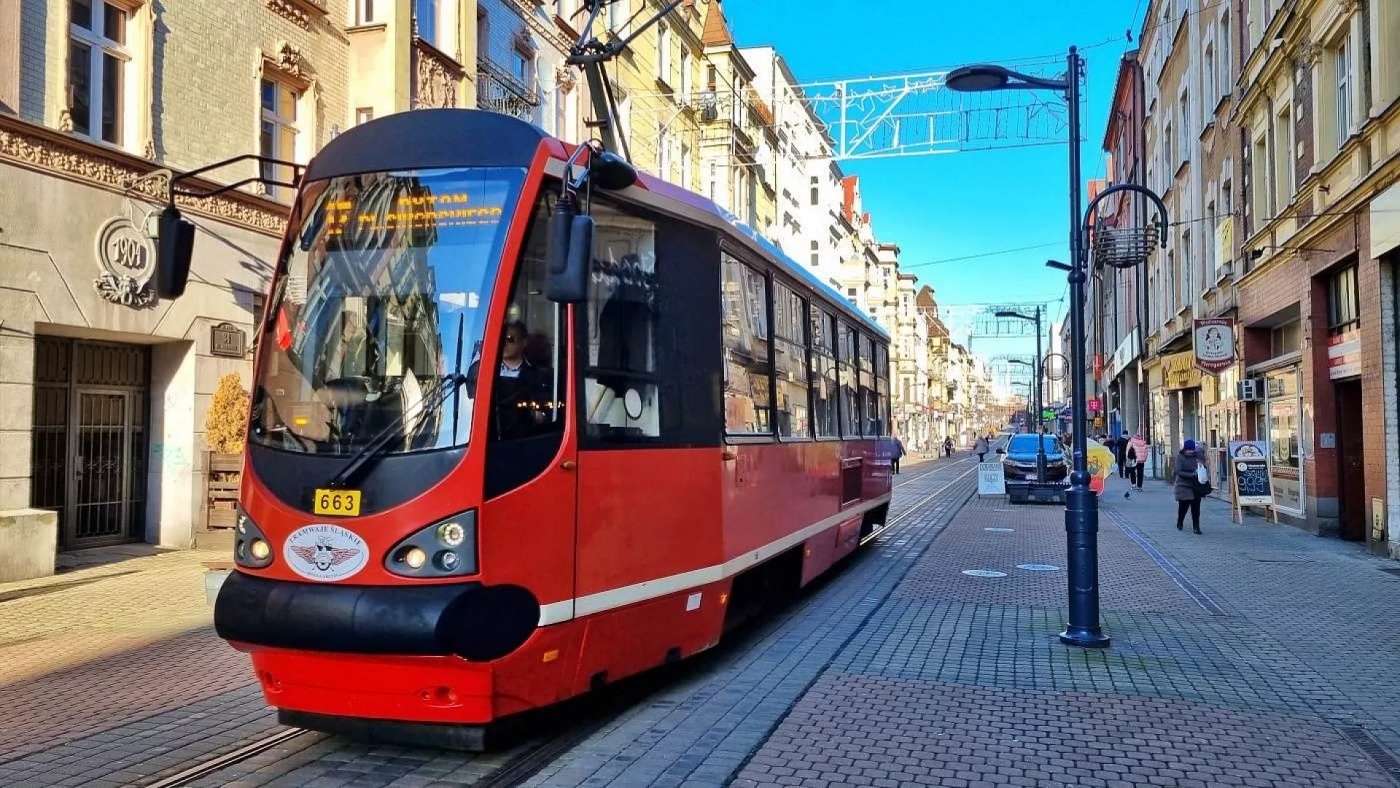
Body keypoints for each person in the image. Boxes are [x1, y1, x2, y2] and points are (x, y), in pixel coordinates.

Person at [1174, 439, 1204, 534]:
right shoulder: (1180, 457)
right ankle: (1180, 521)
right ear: (1185, 449)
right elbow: (1178, 471)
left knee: (1196, 508)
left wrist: (1199, 451)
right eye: (1188, 450)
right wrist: (1191, 475)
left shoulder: (1197, 456)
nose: (1190, 452)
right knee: (1183, 506)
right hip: (1183, 485)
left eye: (1192, 450)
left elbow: (1203, 461)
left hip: (1195, 485)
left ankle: (1196, 527)